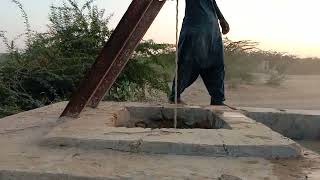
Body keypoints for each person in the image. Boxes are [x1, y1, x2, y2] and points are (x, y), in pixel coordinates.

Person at [169, 0, 230, 105]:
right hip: (196, 26)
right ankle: (175, 96)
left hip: (212, 28)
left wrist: (221, 18)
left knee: (216, 64)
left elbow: (212, 2)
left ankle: (217, 100)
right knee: (188, 61)